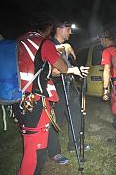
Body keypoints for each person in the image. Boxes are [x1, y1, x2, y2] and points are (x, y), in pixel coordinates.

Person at [16, 13, 68, 175]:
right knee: (36, 148)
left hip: (19, 99)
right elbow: (63, 68)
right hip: (36, 100)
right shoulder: (43, 43)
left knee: (29, 140)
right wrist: (63, 51)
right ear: (49, 28)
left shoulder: (19, 42)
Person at [47, 20, 90, 164]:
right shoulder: (49, 45)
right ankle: (54, 152)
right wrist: (69, 71)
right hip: (57, 87)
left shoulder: (66, 47)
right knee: (56, 121)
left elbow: (69, 65)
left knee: (76, 115)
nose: (70, 32)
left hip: (70, 86)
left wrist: (74, 73)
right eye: (68, 29)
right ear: (58, 29)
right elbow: (51, 72)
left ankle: (74, 144)